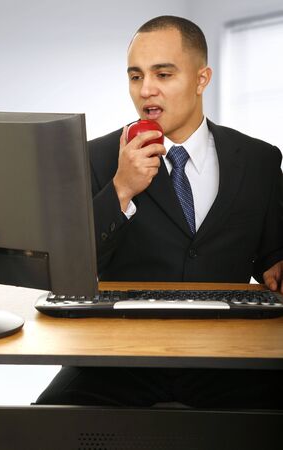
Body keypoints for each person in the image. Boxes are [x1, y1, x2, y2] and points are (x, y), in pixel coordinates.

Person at [35, 15, 283, 409]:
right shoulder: (97, 157)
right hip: (118, 358)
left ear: (202, 79)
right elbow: (69, 271)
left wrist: (277, 264)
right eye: (136, 77)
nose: (146, 90)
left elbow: (272, 257)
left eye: (163, 74)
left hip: (231, 358)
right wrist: (121, 189)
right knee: (39, 425)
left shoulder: (260, 160)